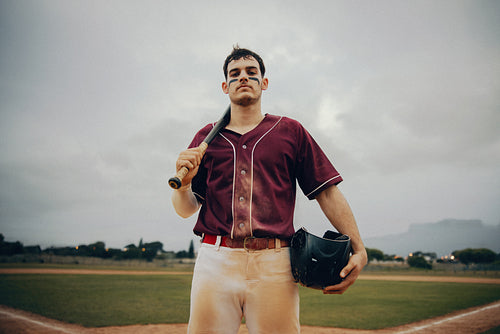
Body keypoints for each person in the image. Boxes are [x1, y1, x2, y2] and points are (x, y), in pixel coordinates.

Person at [172, 46, 367, 334]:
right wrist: (184, 186)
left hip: (274, 262)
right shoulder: (205, 138)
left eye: (252, 73)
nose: (243, 78)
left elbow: (327, 191)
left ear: (264, 83)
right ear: (225, 86)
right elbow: (186, 209)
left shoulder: (290, 131)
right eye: (235, 74)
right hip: (216, 259)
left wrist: (359, 248)